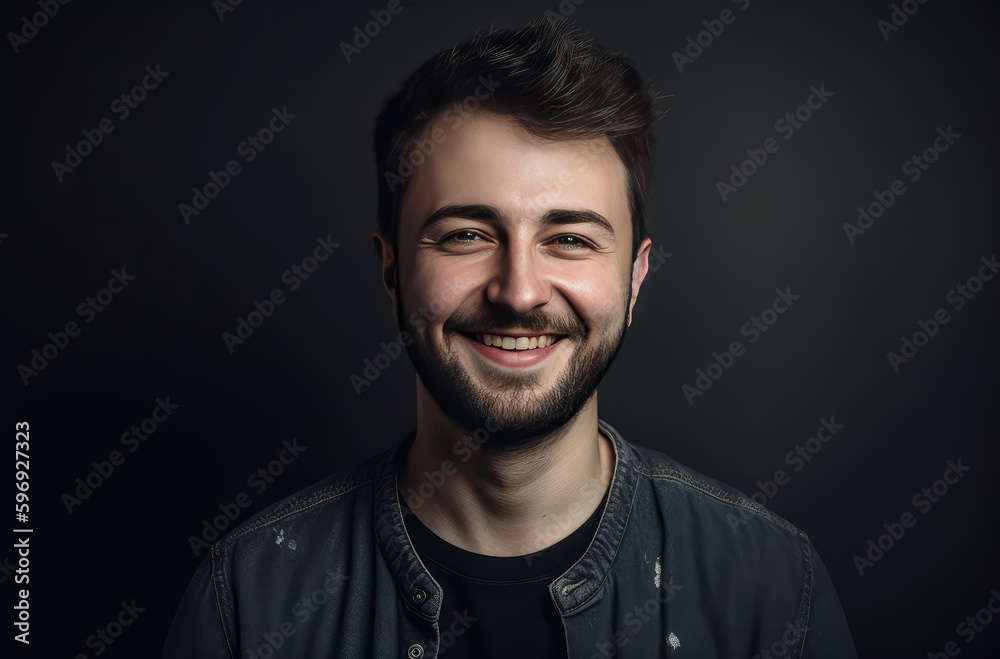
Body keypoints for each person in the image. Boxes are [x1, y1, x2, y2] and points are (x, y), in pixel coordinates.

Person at [163, 17, 857, 659]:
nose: (519, 290)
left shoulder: (771, 587)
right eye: (467, 234)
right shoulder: (248, 602)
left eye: (570, 239)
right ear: (392, 270)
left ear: (636, 278)